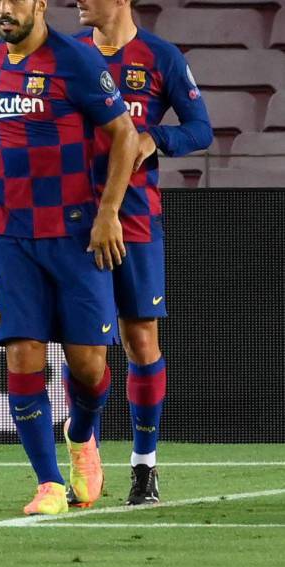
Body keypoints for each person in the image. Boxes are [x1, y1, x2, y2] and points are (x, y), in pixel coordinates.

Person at [0, 0, 139, 515]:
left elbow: (124, 133)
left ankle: (83, 432)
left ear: (40, 5)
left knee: (89, 367)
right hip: (9, 234)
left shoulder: (76, 61)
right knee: (22, 355)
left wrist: (108, 212)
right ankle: (48, 484)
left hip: (76, 235)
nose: (5, 8)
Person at [75, 0, 212, 505]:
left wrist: (156, 138)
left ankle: (143, 468)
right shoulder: (68, 55)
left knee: (140, 341)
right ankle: (82, 444)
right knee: (81, 346)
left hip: (134, 219)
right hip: (74, 220)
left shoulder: (160, 57)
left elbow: (201, 127)